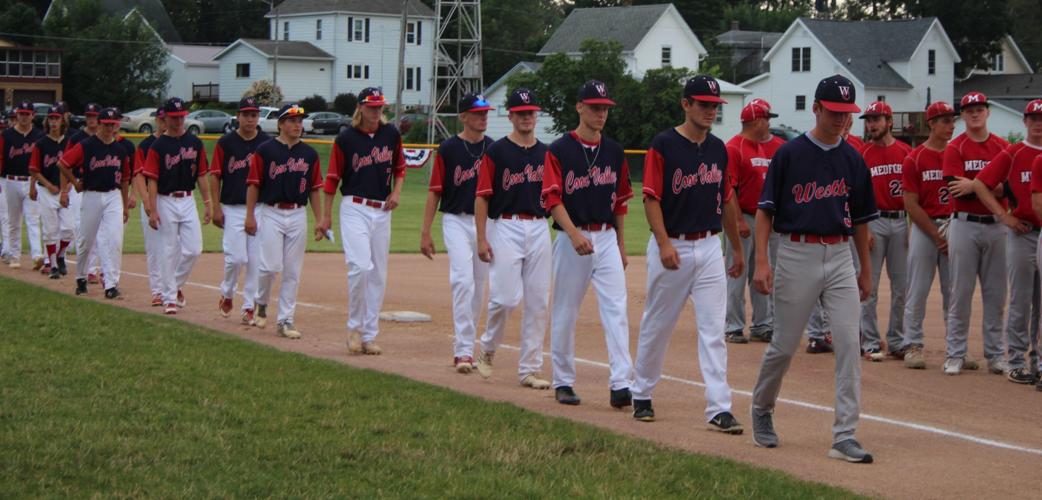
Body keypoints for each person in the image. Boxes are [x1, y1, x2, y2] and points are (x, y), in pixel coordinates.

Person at [751, 74, 877, 464]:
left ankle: (844, 435)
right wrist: (761, 261)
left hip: (840, 257)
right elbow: (764, 211)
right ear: (817, 108)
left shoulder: (853, 158)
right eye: (834, 111)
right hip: (797, 252)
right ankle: (761, 408)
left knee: (848, 347)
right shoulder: (790, 154)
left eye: (847, 112)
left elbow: (859, 221)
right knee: (785, 345)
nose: (841, 119)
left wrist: (866, 269)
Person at [630, 75, 744, 433]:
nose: (710, 110)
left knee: (713, 329)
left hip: (710, 246)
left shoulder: (718, 148)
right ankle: (642, 393)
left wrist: (736, 248)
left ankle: (719, 407)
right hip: (674, 244)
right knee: (658, 324)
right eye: (703, 104)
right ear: (686, 105)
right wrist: (663, 242)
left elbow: (725, 199)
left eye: (714, 105)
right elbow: (651, 198)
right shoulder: (663, 145)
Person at [542, 80, 634, 407]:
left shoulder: (614, 151)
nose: (601, 113)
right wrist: (573, 233)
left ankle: (621, 384)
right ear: (579, 106)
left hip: (607, 237)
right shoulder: (559, 149)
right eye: (595, 107)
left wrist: (621, 245)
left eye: (605, 108)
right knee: (566, 311)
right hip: (572, 239)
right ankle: (563, 381)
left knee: (616, 309)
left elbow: (620, 202)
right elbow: (552, 198)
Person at [471, 87, 553, 390]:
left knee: (538, 301)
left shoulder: (547, 153)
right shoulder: (497, 152)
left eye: (531, 112)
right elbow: (482, 197)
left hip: (540, 227)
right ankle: (488, 348)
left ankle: (530, 369)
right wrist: (481, 238)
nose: (527, 117)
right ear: (511, 116)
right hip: (506, 226)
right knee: (504, 298)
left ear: (536, 114)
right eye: (521, 112)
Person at [318, 87, 404, 355]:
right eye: (371, 106)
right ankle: (354, 329)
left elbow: (400, 168)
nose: (376, 111)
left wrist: (397, 191)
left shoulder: (391, 134)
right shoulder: (346, 139)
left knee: (378, 274)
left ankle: (369, 335)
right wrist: (326, 216)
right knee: (360, 268)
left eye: (380, 106)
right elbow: (332, 179)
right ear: (360, 108)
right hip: (354, 207)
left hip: (382, 211)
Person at [420, 93, 493, 373]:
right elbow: (435, 191)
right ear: (463, 117)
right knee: (463, 281)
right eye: (477, 113)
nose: (483, 117)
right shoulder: (449, 149)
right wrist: (426, 232)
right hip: (456, 221)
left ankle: (467, 345)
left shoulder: (493, 149)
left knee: (478, 285)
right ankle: (463, 350)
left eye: (486, 113)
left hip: (485, 224)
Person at [972, 99, 1042, 384]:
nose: (1038, 123)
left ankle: (1037, 361)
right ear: (1024, 121)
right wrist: (1004, 216)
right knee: (1021, 299)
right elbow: (980, 183)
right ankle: (1016, 360)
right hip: (1023, 232)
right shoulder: (1014, 153)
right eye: (1033, 118)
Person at [942, 91, 1010, 375]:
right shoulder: (955, 147)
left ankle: (995, 354)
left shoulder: (1003, 147)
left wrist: (975, 184)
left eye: (980, 108)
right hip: (964, 223)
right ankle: (955, 353)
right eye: (969, 109)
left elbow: (1009, 189)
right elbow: (957, 189)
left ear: (988, 111)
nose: (974, 113)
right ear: (963, 115)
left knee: (996, 294)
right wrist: (983, 185)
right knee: (961, 292)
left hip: (996, 226)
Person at [244, 103, 325, 339]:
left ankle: (286, 320)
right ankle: (261, 302)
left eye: (300, 121)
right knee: (269, 267)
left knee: (292, 271)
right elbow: (253, 184)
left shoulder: (309, 154)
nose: (297, 125)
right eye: (292, 120)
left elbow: (315, 189)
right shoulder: (265, 150)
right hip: (271, 211)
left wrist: (320, 220)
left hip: (298, 213)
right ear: (280, 124)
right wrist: (250, 215)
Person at [899, 101, 958, 370]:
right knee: (918, 289)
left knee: (954, 291)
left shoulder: (957, 155)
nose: (950, 125)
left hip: (954, 224)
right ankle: (912, 344)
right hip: (926, 226)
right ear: (931, 124)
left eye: (951, 120)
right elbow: (911, 204)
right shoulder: (916, 158)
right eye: (944, 120)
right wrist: (936, 235)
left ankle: (956, 349)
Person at [724, 99, 785, 344]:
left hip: (764, 219)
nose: (769, 124)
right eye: (767, 119)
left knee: (763, 272)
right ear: (757, 121)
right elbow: (729, 189)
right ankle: (734, 326)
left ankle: (762, 324)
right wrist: (738, 220)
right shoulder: (734, 147)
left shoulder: (763, 148)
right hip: (742, 217)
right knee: (737, 272)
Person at [144, 97, 213, 315]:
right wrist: (152, 209)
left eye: (181, 116)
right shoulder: (158, 146)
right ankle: (170, 298)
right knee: (168, 249)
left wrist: (208, 203)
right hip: (165, 199)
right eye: (174, 117)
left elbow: (202, 174)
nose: (178, 121)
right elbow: (152, 180)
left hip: (187, 199)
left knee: (194, 249)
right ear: (165, 118)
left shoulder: (194, 143)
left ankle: (173, 285)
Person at [57, 107, 132, 298]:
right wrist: (74, 183)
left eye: (112, 124)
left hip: (113, 196)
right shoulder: (87, 145)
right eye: (106, 124)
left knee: (114, 240)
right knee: (86, 241)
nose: (109, 128)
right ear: (99, 124)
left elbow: (124, 180)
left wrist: (124, 205)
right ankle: (81, 278)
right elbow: (63, 163)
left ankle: (111, 285)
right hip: (91, 195)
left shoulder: (120, 150)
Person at [858, 101, 912, 360]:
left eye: (877, 119)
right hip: (874, 220)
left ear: (889, 121)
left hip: (901, 220)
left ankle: (897, 339)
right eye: (869, 120)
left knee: (901, 286)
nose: (872, 124)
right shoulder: (864, 154)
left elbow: (915, 193)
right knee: (870, 285)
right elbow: (856, 196)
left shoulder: (905, 152)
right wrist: (864, 228)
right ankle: (869, 340)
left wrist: (912, 223)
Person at [211, 97, 270, 326]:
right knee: (236, 259)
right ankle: (227, 291)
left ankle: (248, 306)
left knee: (255, 260)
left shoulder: (266, 144)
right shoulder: (226, 143)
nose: (250, 119)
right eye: (246, 114)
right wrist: (215, 207)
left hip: (259, 208)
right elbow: (215, 175)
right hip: (233, 207)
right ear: (238, 116)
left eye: (254, 114)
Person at [28, 104, 73, 280]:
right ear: (48, 121)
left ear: (63, 120)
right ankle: (53, 265)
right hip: (47, 191)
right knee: (50, 230)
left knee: (69, 228)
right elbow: (34, 169)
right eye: (51, 118)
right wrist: (47, 185)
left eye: (57, 118)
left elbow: (75, 167)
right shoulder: (41, 143)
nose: (54, 122)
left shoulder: (70, 142)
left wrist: (68, 185)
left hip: (66, 190)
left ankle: (61, 254)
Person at [1, 101, 44, 269]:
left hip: (31, 181)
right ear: (17, 115)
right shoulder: (6, 135)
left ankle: (37, 255)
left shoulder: (39, 136)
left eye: (27, 114)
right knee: (13, 221)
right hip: (10, 181)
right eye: (21, 113)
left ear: (33, 116)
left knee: (33, 219)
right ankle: (14, 255)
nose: (24, 117)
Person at [132, 108, 167, 306]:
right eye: (160, 118)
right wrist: (145, 201)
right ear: (156, 120)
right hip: (151, 198)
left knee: (174, 247)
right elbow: (139, 174)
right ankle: (157, 291)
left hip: (170, 200)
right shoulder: (146, 145)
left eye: (166, 118)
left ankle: (171, 286)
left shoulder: (178, 142)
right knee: (154, 248)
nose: (163, 122)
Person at [66, 103, 104, 283]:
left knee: (98, 231)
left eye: (94, 116)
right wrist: (70, 184)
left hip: (97, 189)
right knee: (81, 228)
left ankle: (92, 269)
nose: (91, 119)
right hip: (79, 187)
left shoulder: (105, 139)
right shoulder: (77, 138)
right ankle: (84, 267)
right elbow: (65, 163)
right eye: (89, 116)